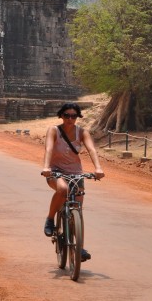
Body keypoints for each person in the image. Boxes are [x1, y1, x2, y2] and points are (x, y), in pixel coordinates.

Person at [41, 102, 104, 260]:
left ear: (78, 117)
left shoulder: (82, 132)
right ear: (61, 116)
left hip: (75, 174)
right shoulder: (54, 130)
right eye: (67, 116)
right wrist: (46, 167)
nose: (70, 119)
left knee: (78, 211)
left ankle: (80, 248)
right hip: (55, 171)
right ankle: (50, 219)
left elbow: (91, 150)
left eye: (73, 116)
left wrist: (98, 168)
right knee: (62, 189)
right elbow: (48, 148)